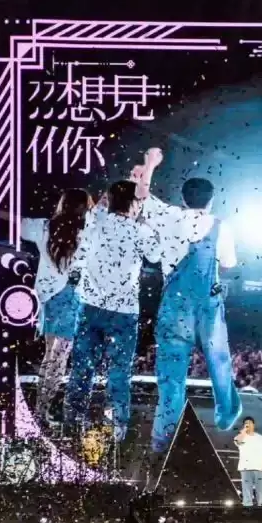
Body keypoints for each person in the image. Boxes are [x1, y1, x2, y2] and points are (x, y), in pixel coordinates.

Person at [141, 171, 243, 453]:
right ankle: (226, 413)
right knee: (219, 361)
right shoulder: (221, 226)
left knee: (171, 376)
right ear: (211, 201)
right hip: (208, 307)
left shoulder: (168, 219)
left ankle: (163, 437)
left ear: (183, 199)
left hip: (174, 307)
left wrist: (146, 171)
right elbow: (228, 264)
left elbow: (151, 247)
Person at [64, 172, 159, 440]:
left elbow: (79, 256)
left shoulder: (94, 223)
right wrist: (146, 223)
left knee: (82, 367)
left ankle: (72, 423)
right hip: (123, 312)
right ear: (134, 203)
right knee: (119, 371)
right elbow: (155, 256)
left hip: (90, 306)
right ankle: (118, 427)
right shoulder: (140, 231)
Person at [21, 188, 93, 422]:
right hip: (70, 296)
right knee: (58, 357)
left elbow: (18, 222)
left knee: (51, 355)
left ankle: (41, 409)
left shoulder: (45, 227)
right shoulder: (89, 231)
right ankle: (41, 411)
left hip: (48, 297)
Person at [234, 416, 262, 507]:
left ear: (254, 425)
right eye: (246, 423)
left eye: (250, 423)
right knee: (247, 492)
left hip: (259, 468)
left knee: (261, 492)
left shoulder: (260, 438)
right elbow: (238, 441)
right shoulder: (241, 436)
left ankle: (261, 510)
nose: (248, 424)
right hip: (246, 468)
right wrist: (243, 432)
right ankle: (248, 509)